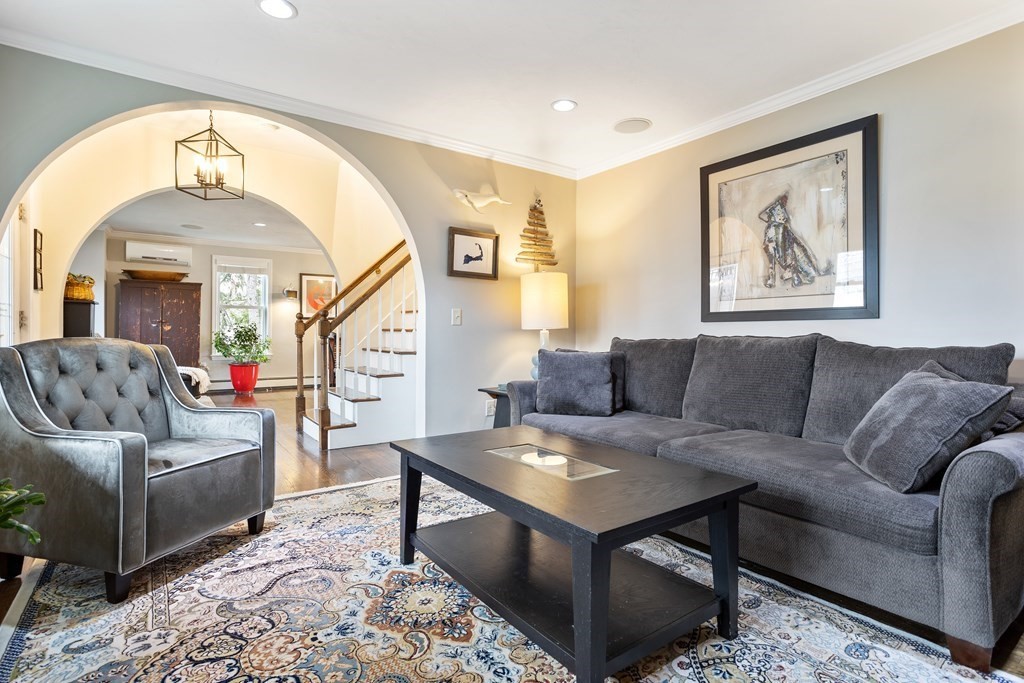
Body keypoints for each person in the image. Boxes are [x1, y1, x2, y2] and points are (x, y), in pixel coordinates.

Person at [758, 193, 832, 288]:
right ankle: (789, 276)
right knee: (786, 252)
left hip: (781, 236)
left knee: (797, 251)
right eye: (784, 201)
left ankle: (796, 274)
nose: (785, 203)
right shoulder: (775, 214)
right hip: (777, 236)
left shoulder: (781, 220)